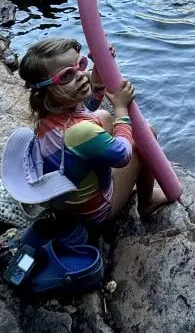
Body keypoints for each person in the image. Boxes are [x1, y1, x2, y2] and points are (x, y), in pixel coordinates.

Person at [18, 36, 167, 224]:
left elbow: (92, 102)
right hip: (95, 212)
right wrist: (121, 109)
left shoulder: (49, 115)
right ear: (45, 90)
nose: (81, 75)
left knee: (102, 115)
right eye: (66, 75)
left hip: (70, 201)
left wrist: (99, 65)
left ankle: (121, 182)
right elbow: (123, 156)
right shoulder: (79, 132)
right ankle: (147, 202)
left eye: (80, 64)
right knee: (146, 135)